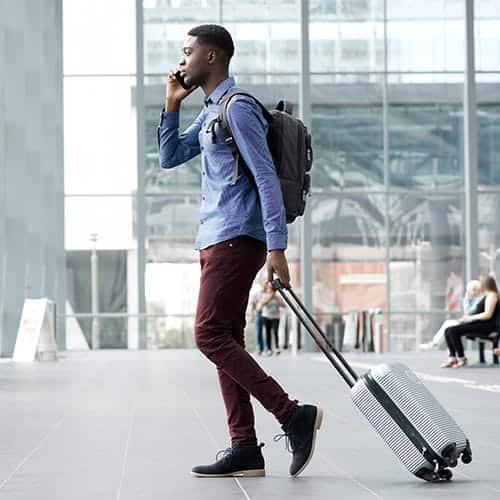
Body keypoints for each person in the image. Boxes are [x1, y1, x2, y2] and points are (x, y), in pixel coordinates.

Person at [158, 24, 322, 478]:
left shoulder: (238, 107)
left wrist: (277, 247)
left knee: (208, 335)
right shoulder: (209, 110)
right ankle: (245, 446)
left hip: (237, 237)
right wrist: (172, 104)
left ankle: (292, 415)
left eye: (188, 52)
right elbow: (170, 156)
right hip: (216, 238)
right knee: (225, 339)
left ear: (211, 58)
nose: (181, 59)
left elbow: (266, 177)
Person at [441, 274, 500, 368]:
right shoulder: (486, 295)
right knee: (447, 330)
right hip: (480, 323)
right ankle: (452, 358)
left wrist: (471, 318)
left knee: (453, 331)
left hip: (486, 326)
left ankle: (461, 358)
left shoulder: (492, 296)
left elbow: (487, 314)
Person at [419, 280, 481, 350]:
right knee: (448, 325)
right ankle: (440, 346)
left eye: (469, 291)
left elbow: (468, 311)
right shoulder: (475, 299)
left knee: (449, 326)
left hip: (474, 325)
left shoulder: (478, 300)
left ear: (475, 290)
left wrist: (466, 299)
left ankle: (437, 345)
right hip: (470, 322)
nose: (468, 293)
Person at [259, 281, 286, 355]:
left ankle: (277, 348)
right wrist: (270, 298)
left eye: (271, 287)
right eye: (269, 287)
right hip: (266, 316)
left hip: (275, 317)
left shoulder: (277, 296)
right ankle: (269, 349)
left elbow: (283, 305)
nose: (270, 289)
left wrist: (276, 298)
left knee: (275, 332)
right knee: (267, 333)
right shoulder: (264, 295)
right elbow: (262, 304)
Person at [249, 281, 266, 355]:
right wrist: (252, 315)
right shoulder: (257, 294)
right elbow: (252, 304)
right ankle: (260, 348)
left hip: (268, 314)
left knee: (268, 332)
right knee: (259, 331)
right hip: (259, 313)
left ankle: (268, 348)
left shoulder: (270, 293)